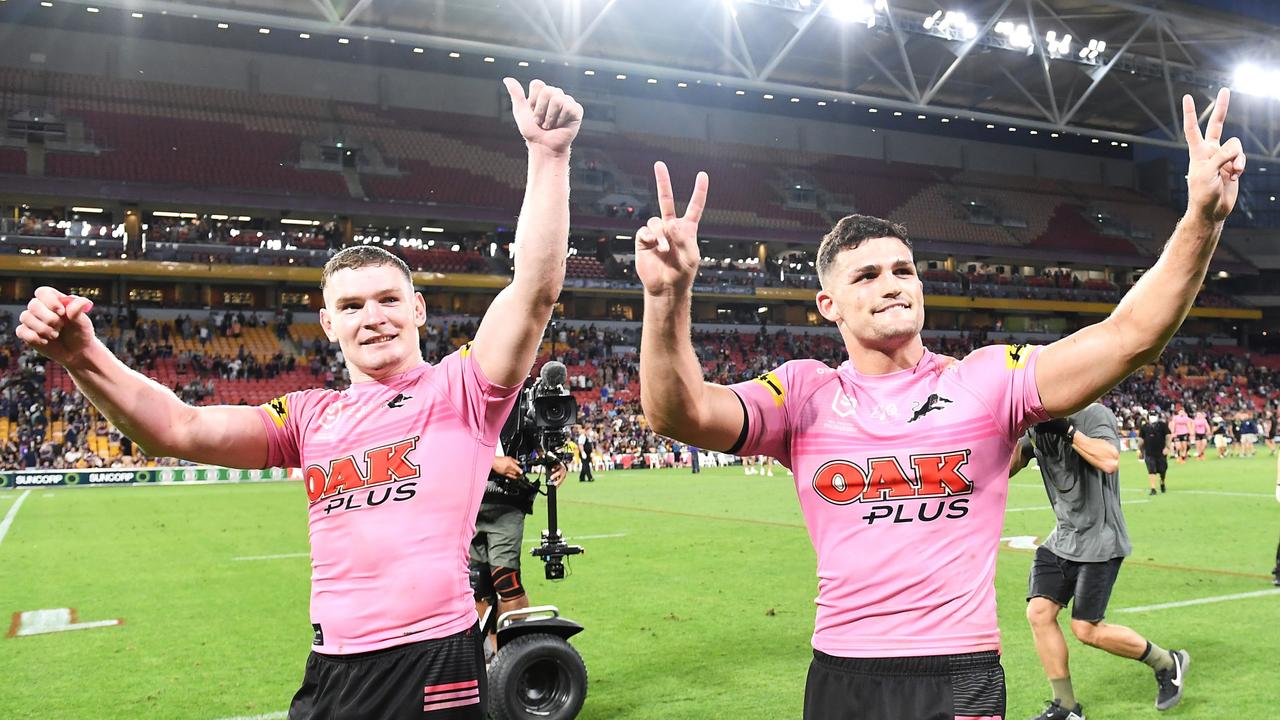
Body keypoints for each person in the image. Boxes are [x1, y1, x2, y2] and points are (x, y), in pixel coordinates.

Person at [633, 88, 1242, 720]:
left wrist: (1202, 218)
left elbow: (1128, 338)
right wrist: (666, 298)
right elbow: (681, 414)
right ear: (828, 305)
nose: (892, 284)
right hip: (840, 670)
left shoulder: (987, 381)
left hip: (960, 671)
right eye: (866, 277)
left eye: (903, 269)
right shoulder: (805, 392)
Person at [15, 77, 582, 719]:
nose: (373, 317)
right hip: (332, 668)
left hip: (433, 662)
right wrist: (81, 355)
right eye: (352, 305)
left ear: (419, 310)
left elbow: (533, 288)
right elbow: (180, 429)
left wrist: (548, 156)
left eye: (389, 300)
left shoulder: (462, 389)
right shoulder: (310, 415)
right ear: (327, 323)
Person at [1010, 407, 1188, 719]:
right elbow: (1008, 468)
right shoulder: (1035, 424)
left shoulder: (1094, 415)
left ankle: (1166, 662)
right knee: (1039, 613)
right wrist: (1009, 436)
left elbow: (1109, 460)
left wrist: (1067, 430)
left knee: (1086, 630)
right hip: (1063, 537)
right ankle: (1065, 706)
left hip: (1101, 539)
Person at [471, 390, 568, 654]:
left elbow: (538, 448)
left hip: (506, 504)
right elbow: (446, 442)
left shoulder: (519, 408)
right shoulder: (461, 399)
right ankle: (490, 653)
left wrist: (556, 462)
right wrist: (493, 462)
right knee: (477, 584)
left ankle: (514, 654)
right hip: (468, 504)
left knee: (505, 580)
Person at [1137, 410, 1172, 495]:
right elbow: (1141, 440)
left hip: (1161, 452)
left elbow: (1168, 436)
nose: (1152, 417)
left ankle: (1162, 482)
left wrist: (1167, 447)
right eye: (1151, 415)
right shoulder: (1144, 427)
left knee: (1163, 470)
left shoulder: (1163, 425)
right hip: (1149, 452)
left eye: (1154, 415)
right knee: (1151, 470)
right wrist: (1139, 450)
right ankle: (1153, 488)